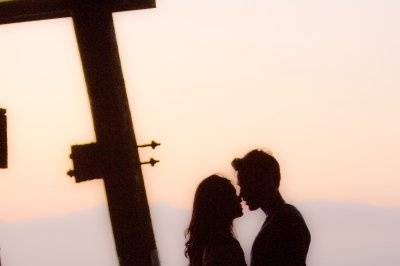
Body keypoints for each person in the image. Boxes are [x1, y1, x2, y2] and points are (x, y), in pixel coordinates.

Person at [232, 150, 311, 266]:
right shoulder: (284, 218)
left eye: (247, 185)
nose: (241, 194)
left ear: (264, 182)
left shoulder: (285, 221)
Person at [185, 175, 247, 266]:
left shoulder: (212, 245)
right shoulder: (225, 246)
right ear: (221, 203)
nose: (239, 198)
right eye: (233, 195)